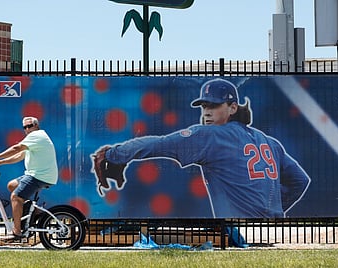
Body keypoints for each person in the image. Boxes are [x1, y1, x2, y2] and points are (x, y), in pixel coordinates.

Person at [92, 78, 311, 218]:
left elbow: (158, 144)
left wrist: (114, 154)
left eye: (214, 106)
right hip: (273, 231)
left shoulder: (211, 136)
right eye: (204, 106)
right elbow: (300, 181)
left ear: (233, 107)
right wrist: (273, 210)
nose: (206, 112)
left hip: (240, 232)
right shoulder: (269, 142)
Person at [0, 116, 58, 240]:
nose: (27, 129)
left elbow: (16, 148)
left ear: (36, 126)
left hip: (39, 176)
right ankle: (32, 210)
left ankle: (17, 232)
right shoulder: (33, 140)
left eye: (30, 126)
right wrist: (0, 162)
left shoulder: (37, 136)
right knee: (11, 185)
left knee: (15, 197)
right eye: (25, 127)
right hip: (35, 174)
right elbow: (19, 155)